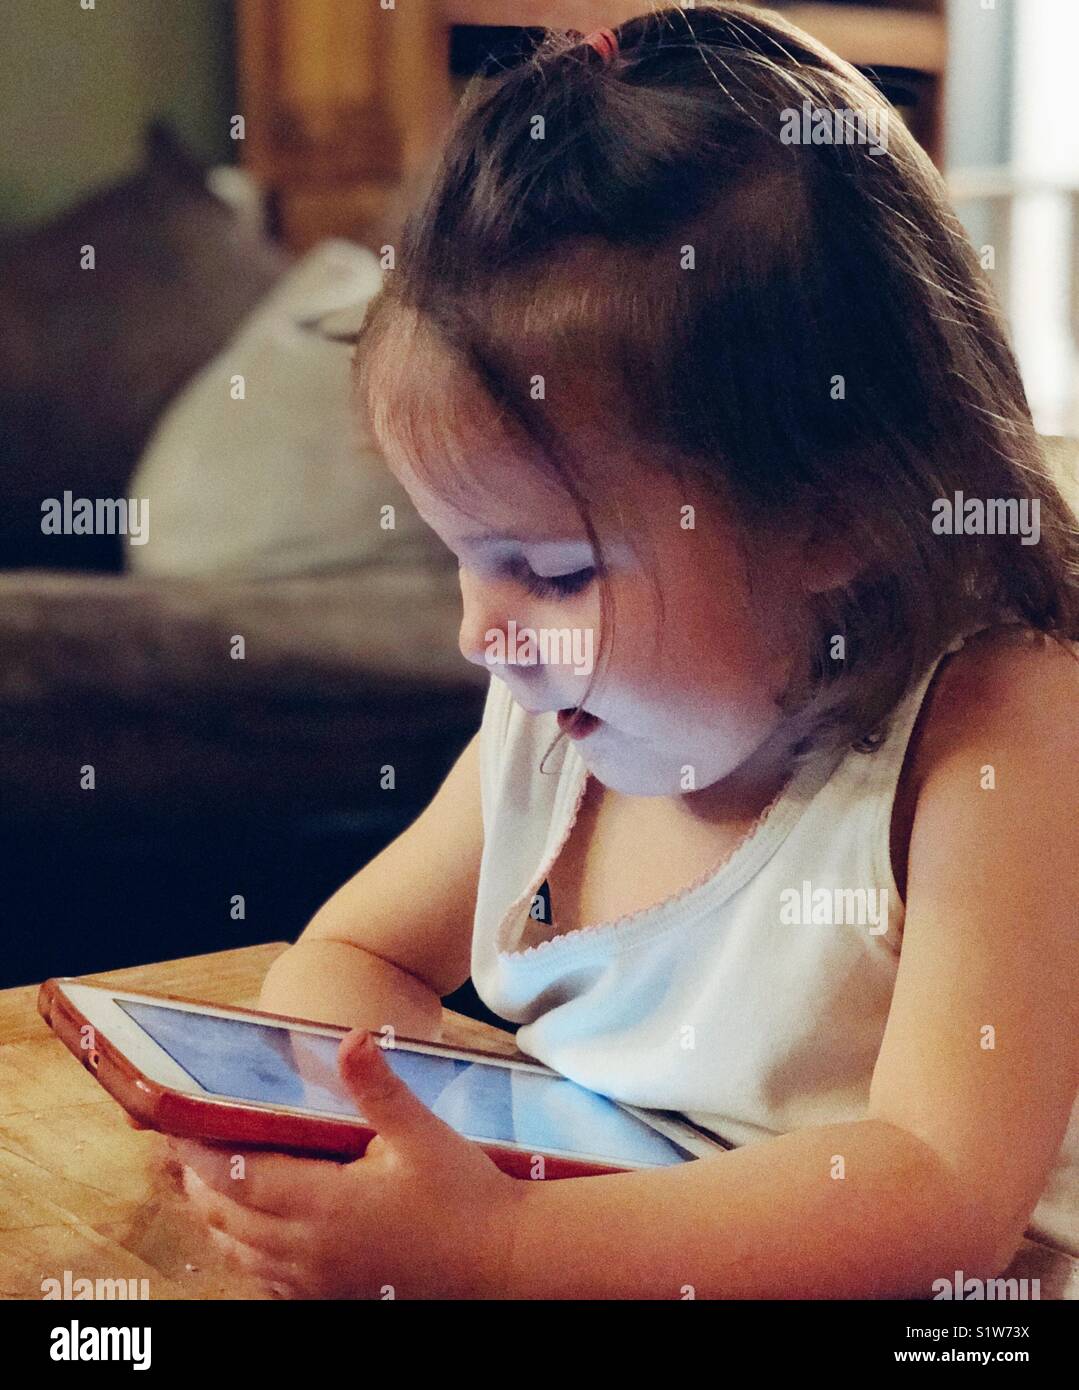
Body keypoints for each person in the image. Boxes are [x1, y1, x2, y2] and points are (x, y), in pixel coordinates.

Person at [173, 5, 1079, 1299]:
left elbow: (938, 1196)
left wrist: (497, 1250)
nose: (479, 632)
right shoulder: (548, 736)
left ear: (833, 515)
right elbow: (353, 954)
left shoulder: (999, 732)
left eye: (549, 572)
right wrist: (319, 1136)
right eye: (463, 559)